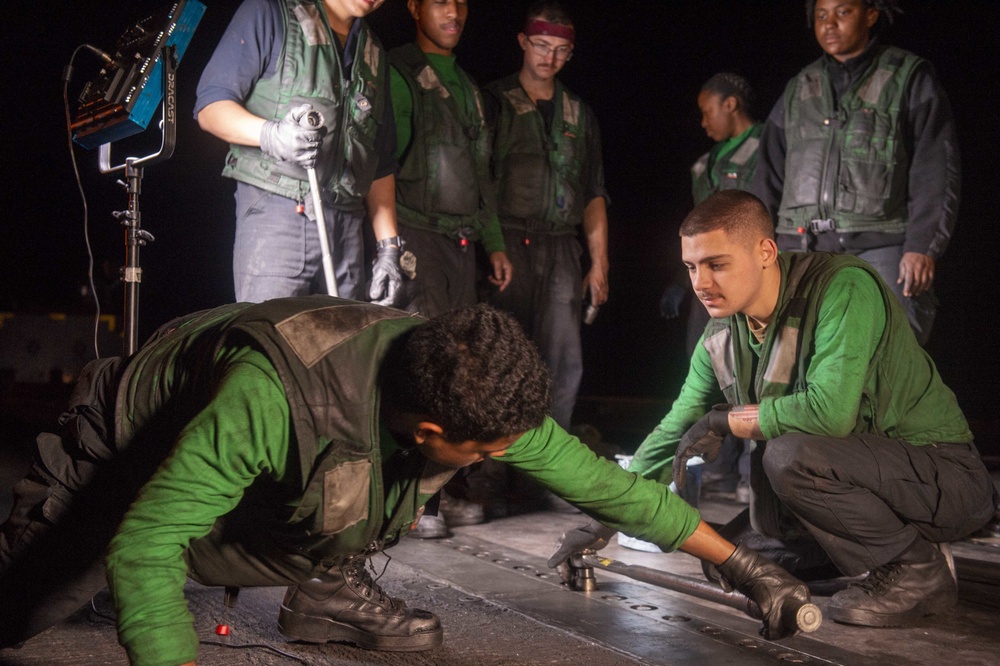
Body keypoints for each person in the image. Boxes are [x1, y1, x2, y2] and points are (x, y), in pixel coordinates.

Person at [0, 299, 813, 664]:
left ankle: (321, 579)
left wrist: (738, 565)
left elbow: (608, 487)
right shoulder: (270, 401)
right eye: (484, 451)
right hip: (118, 450)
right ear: (431, 429)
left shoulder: (454, 373)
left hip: (270, 465)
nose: (496, 459)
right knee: (27, 602)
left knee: (354, 491)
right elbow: (145, 547)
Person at [620, 189, 995, 628]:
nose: (700, 283)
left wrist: (725, 420)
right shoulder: (722, 333)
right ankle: (876, 562)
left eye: (717, 264)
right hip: (854, 481)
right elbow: (677, 427)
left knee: (789, 456)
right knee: (726, 557)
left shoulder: (843, 287)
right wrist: (606, 513)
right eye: (691, 267)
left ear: (765, 252)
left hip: (940, 477)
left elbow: (829, 413)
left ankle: (917, 569)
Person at [751, 0, 961, 346]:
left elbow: (935, 165)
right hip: (801, 246)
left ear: (871, 15)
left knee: (886, 353)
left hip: (881, 244)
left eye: (842, 12)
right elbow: (767, 174)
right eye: (821, 15)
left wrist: (922, 245)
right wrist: (756, 244)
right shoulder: (799, 87)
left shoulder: (906, 75)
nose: (829, 24)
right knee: (792, 356)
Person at [388, 0, 514, 538]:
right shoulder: (396, 70)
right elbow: (381, 162)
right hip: (417, 230)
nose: (455, 11)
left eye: (462, 2)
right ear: (415, 7)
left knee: (467, 367)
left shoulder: (467, 86)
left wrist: (495, 242)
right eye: (441, 1)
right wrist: (387, 238)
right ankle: (412, 501)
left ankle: (448, 488)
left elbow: (481, 174)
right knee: (424, 362)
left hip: (463, 241)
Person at [194, 0, 404, 306]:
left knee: (342, 347)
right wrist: (272, 135)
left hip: (347, 229)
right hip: (277, 216)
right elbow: (210, 107)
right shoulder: (269, 11)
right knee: (270, 344)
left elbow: (380, 162)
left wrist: (389, 247)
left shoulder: (371, 51)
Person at [483, 0, 609, 432]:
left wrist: (599, 265)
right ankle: (490, 481)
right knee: (501, 356)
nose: (548, 57)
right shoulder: (494, 101)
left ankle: (545, 479)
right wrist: (493, 245)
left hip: (561, 248)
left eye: (560, 50)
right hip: (509, 243)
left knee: (563, 362)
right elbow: (480, 184)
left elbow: (593, 193)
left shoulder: (580, 113)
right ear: (523, 42)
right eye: (540, 45)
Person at [656, 73, 762, 514]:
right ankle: (717, 465)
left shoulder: (767, 147)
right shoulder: (706, 163)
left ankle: (752, 474)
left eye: (707, 110)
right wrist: (684, 282)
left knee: (756, 367)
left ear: (731, 104)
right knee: (709, 365)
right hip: (711, 283)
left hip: (748, 277)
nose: (703, 121)